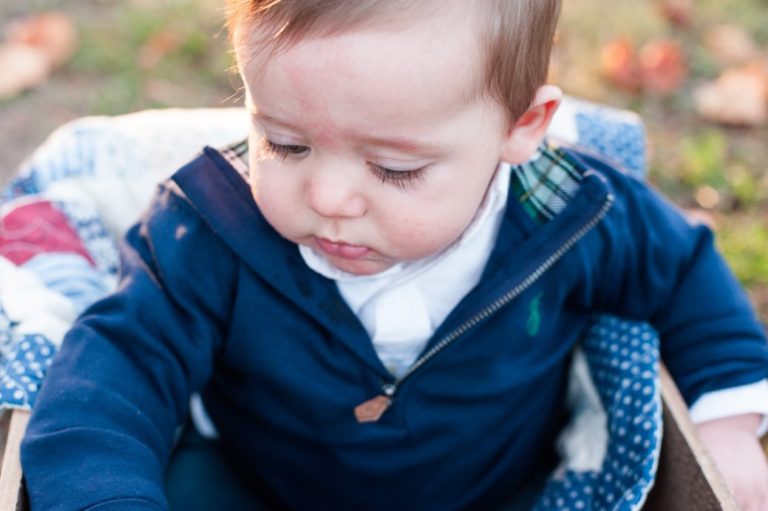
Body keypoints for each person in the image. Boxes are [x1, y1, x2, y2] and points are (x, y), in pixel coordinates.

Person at [19, 1, 768, 509]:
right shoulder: (209, 231)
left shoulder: (572, 213)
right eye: (285, 142)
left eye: (395, 168)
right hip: (260, 480)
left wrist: (729, 424)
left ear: (523, 126)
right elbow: (112, 373)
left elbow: (686, 275)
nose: (331, 197)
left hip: (496, 488)